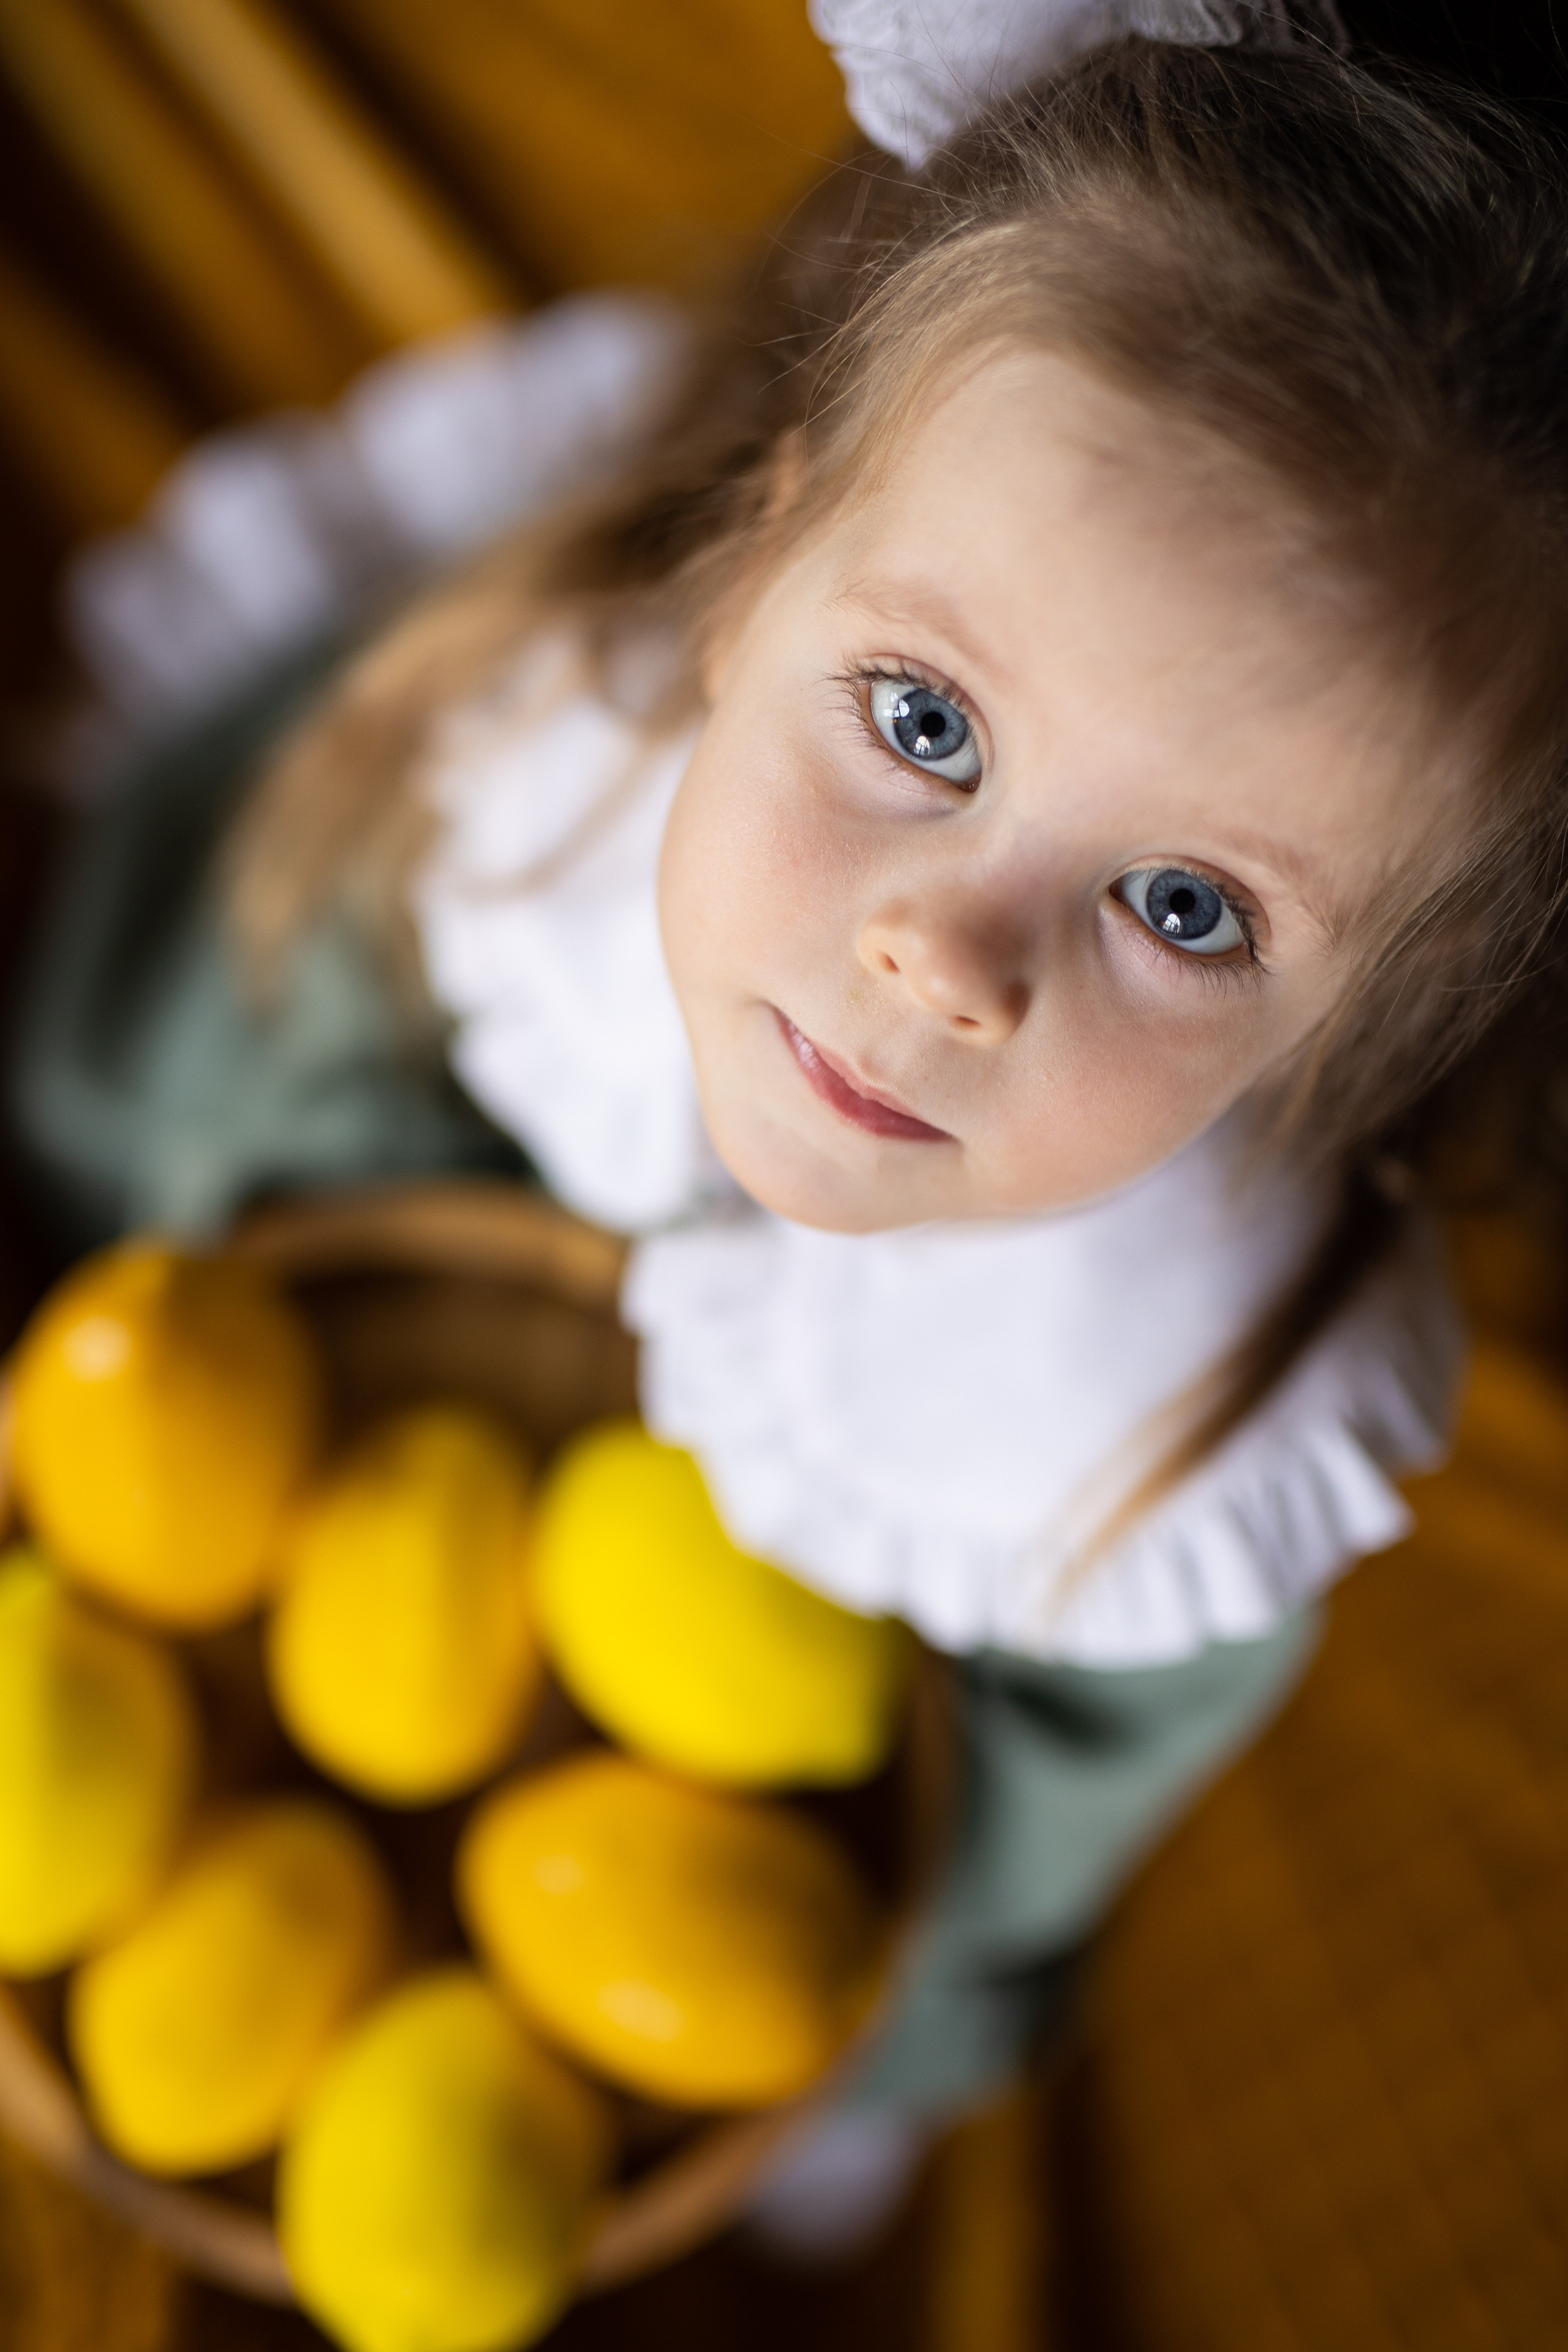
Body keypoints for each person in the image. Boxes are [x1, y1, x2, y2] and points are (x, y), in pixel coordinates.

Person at [18, 6, 1568, 2252]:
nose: (945, 961)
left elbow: (992, 1858)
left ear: (1368, 1026)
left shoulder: (1180, 1423)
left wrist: (843, 2016)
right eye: (925, 723)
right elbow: (220, 1028)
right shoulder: (537, 777)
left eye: (1185, 908)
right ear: (759, 571)